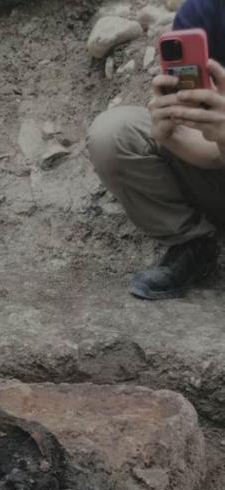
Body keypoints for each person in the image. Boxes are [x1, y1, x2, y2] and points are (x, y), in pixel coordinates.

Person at [88, 0, 225, 300]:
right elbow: (208, 145)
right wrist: (170, 134)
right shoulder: (204, 11)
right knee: (113, 135)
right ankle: (193, 244)